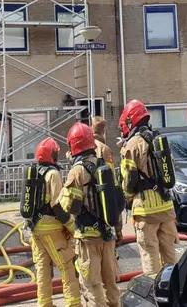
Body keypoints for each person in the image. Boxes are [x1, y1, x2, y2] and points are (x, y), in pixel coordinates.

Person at [59, 122, 119, 307]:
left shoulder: (77, 171)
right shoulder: (105, 167)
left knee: (93, 286)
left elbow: (71, 207)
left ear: (73, 146)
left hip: (87, 238)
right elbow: (118, 199)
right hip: (108, 236)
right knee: (111, 284)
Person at [119, 99, 178, 276]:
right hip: (167, 207)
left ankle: (154, 298)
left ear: (131, 121)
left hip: (145, 210)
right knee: (170, 258)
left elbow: (129, 181)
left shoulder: (131, 145)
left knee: (150, 258)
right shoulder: (159, 140)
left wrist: (129, 199)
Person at [27, 138, 81, 307]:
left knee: (43, 268)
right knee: (67, 266)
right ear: (53, 155)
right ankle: (74, 304)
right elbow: (58, 205)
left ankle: (45, 304)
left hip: (35, 229)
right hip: (51, 228)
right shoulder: (53, 174)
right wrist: (72, 227)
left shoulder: (35, 172)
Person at [90, 116, 123, 243]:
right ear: (103, 131)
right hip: (104, 197)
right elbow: (112, 181)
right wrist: (119, 230)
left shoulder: (82, 147)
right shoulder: (105, 149)